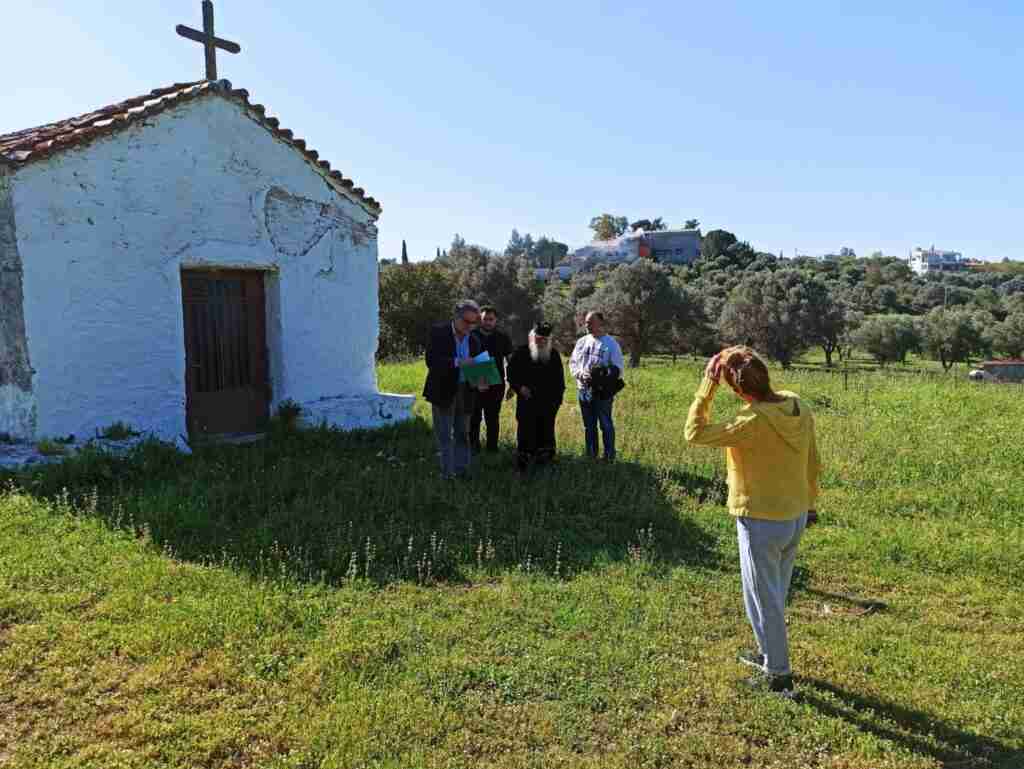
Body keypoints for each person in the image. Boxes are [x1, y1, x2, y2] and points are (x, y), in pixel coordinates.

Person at [685, 346, 820, 697]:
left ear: (737, 389)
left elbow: (694, 432)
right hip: (794, 514)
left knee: (764, 598)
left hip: (761, 520)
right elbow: (812, 458)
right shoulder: (797, 405)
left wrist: (707, 387)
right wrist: (810, 502)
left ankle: (779, 676)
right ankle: (767, 654)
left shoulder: (750, 422)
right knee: (771, 593)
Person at [422, 300, 487, 479]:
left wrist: (481, 381)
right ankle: (446, 474)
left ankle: (462, 471)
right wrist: (458, 362)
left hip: (466, 391)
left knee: (463, 433)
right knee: (444, 435)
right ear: (456, 317)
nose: (470, 326)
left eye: (474, 323)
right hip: (442, 390)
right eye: (467, 322)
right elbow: (431, 361)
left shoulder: (474, 339)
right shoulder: (438, 332)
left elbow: (477, 367)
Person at [506, 322, 565, 472]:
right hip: (527, 402)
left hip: (548, 403)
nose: (542, 342)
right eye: (538, 338)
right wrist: (519, 387)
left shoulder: (554, 355)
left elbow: (559, 381)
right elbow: (511, 373)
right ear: (532, 337)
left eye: (545, 339)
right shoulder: (521, 352)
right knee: (526, 431)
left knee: (546, 432)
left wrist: (557, 401)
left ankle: (544, 464)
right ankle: (523, 464)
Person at [568, 311, 625, 461]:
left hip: (602, 392)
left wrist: (602, 376)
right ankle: (591, 455)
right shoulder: (582, 342)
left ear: (601, 323)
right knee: (589, 426)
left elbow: (619, 370)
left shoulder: (611, 344)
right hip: (583, 390)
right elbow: (573, 363)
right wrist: (581, 374)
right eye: (586, 322)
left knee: (605, 424)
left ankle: (609, 457)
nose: (587, 325)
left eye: (591, 322)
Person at [470, 306, 514, 453]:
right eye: (485, 319)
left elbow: (511, 361)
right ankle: (473, 448)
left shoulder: (503, 337)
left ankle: (492, 450)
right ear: (479, 320)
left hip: (496, 384)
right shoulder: (471, 336)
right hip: (475, 382)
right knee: (474, 417)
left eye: (491, 319)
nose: (488, 322)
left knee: (492, 417)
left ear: (496, 320)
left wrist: (512, 384)